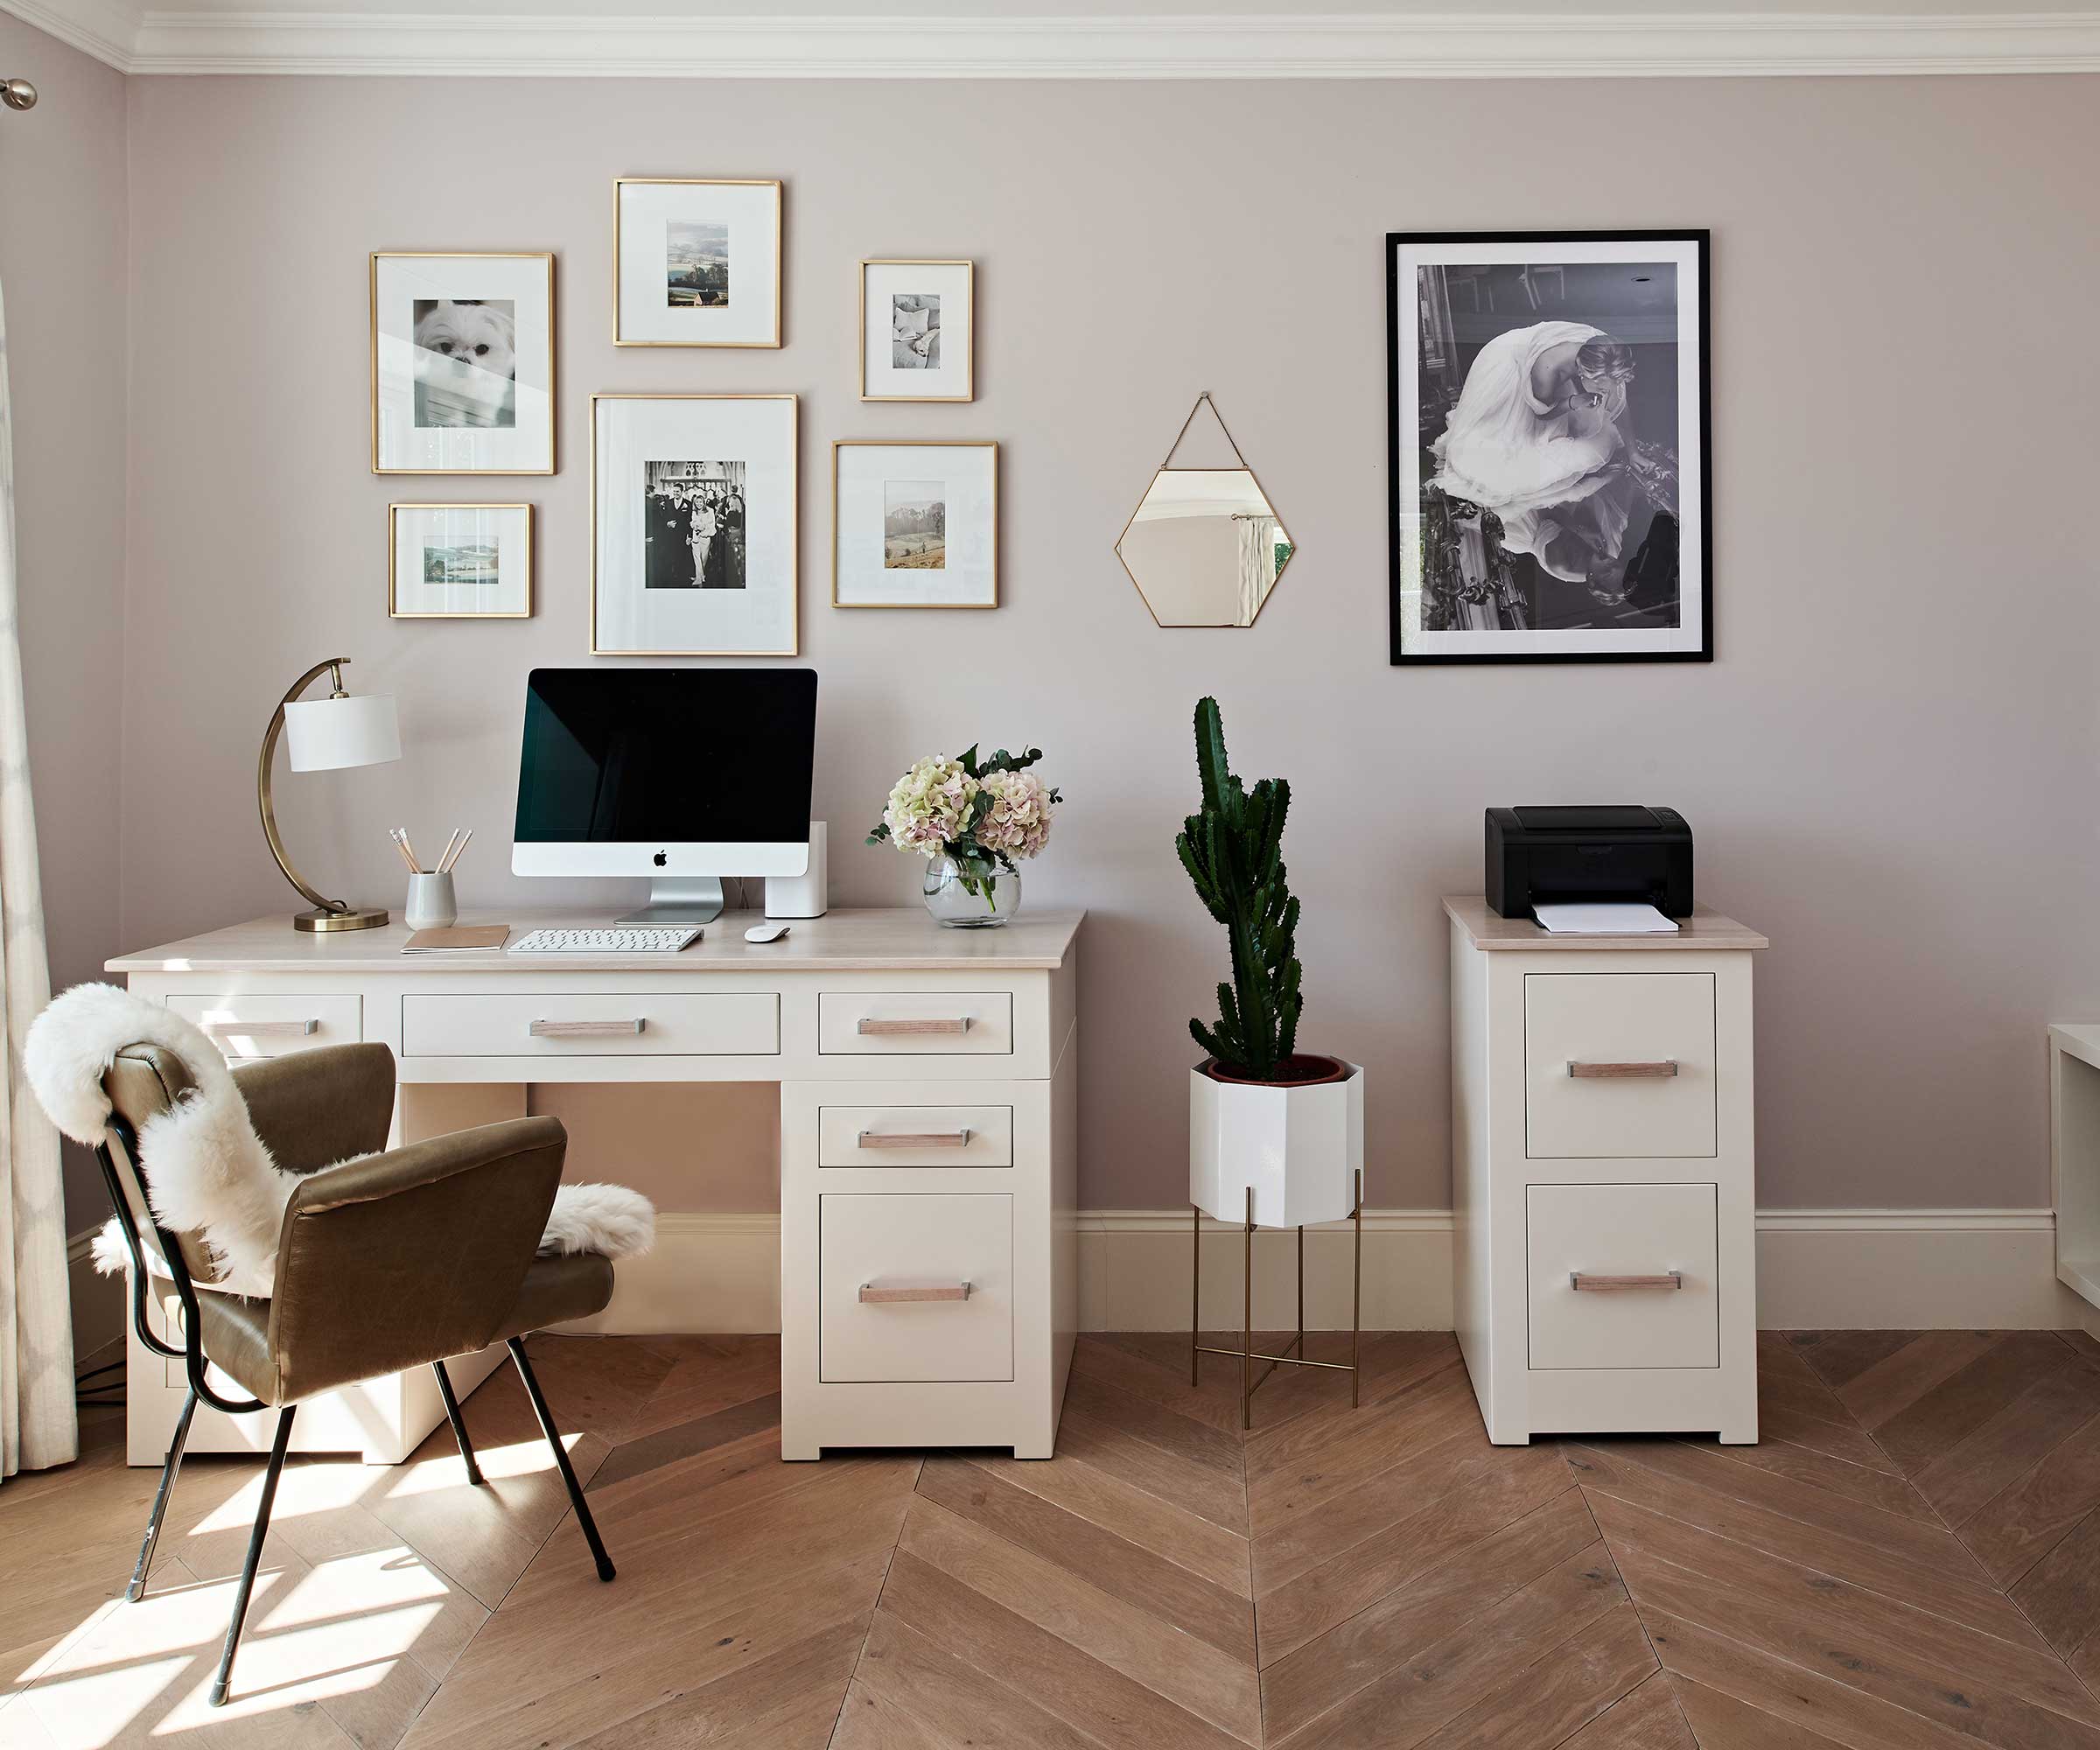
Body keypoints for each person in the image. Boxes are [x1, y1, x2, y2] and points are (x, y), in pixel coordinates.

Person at [1431, 321, 1641, 584]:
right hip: (1509, 368)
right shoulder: (1548, 368)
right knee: (1499, 466)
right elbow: (1543, 415)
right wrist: (1574, 402)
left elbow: (1619, 403)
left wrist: (1632, 452)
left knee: (1596, 438)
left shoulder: (1603, 352)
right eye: (1601, 386)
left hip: (1559, 379)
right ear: (1583, 373)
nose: (1606, 391)